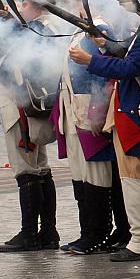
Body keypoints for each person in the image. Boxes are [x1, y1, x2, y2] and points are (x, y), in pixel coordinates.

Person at [0, 0, 61, 253]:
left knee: (26, 171)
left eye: (24, 2)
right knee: (40, 169)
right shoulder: (43, 26)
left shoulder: (37, 29)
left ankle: (30, 234)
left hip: (22, 107)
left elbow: (3, 28)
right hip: (33, 107)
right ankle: (47, 231)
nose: (19, 7)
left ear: (35, 5)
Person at [82, 27, 140, 262]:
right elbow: (126, 54)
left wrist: (91, 60)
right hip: (133, 113)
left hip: (133, 115)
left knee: (136, 178)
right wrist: (105, 45)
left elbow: (130, 66)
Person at [56, 20, 118, 255]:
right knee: (80, 175)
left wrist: (98, 110)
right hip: (71, 109)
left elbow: (105, 73)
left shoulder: (100, 28)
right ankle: (86, 232)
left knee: (96, 175)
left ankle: (99, 233)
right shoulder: (76, 31)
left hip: (87, 108)